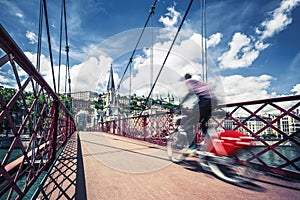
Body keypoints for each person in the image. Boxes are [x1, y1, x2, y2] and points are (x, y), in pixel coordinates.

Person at [179, 73, 217, 155]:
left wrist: (182, 101)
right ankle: (212, 143)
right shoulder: (198, 82)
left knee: (188, 124)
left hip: (205, 100)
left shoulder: (188, 81)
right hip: (213, 101)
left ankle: (192, 147)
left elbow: (191, 92)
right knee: (203, 124)